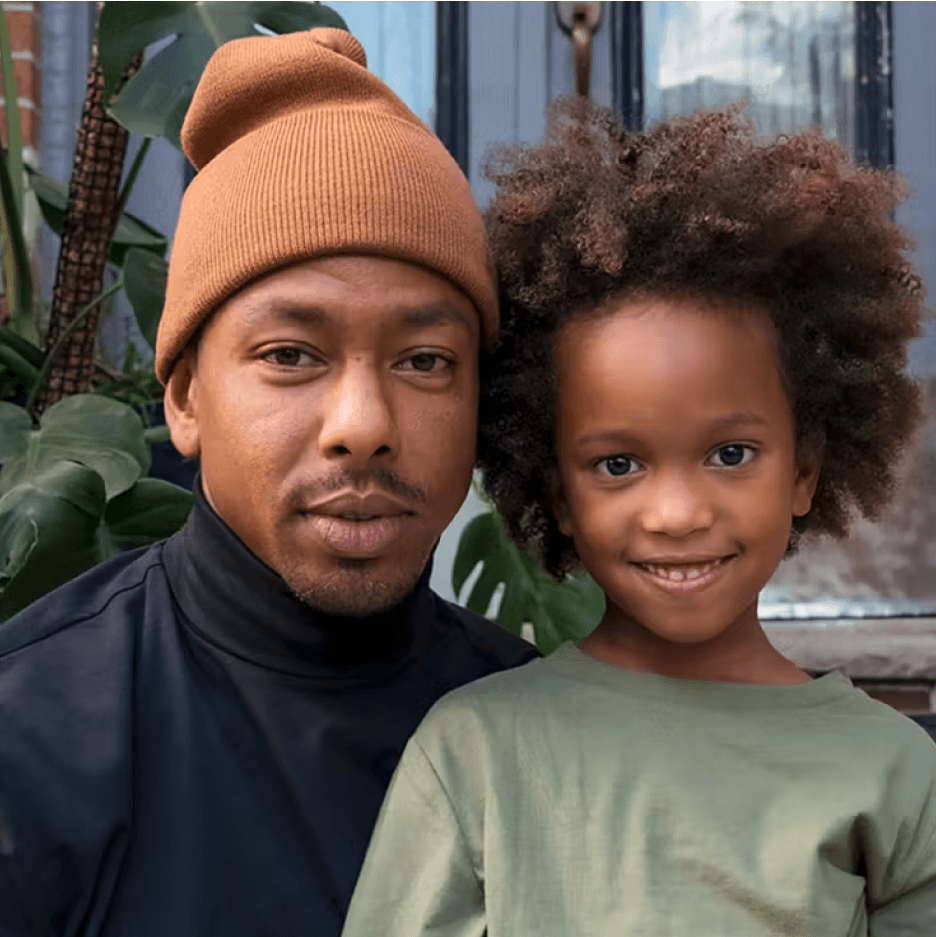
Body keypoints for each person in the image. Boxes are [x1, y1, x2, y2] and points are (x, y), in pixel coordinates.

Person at [341, 101, 936, 936]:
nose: (678, 513)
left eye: (730, 453)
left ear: (804, 471)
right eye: (618, 464)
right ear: (557, 493)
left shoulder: (895, 772)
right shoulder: (473, 752)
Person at [0, 28, 537, 937]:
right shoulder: (29, 736)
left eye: (423, 359)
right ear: (185, 397)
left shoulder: (546, 734)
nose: (362, 424)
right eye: (290, 354)